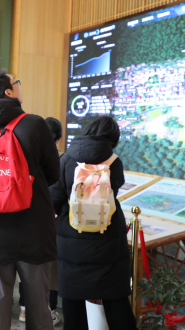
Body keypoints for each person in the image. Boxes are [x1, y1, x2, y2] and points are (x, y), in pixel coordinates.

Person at [0, 69, 60, 330]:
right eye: (16, 82)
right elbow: (53, 173)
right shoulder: (35, 124)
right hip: (34, 226)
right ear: (9, 92)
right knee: (39, 308)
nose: (19, 85)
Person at [49, 116, 136, 330]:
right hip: (108, 239)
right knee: (115, 298)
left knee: (73, 301)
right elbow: (115, 188)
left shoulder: (66, 159)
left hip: (73, 239)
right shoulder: (114, 162)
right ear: (112, 139)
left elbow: (54, 197)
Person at [19, 116, 64, 325]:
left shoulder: (25, 154)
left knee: (27, 263)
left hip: (26, 216)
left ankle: (23, 308)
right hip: (51, 219)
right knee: (48, 266)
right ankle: (49, 310)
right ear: (58, 138)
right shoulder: (61, 158)